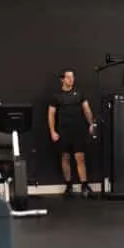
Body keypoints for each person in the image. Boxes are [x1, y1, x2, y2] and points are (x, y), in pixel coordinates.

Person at [48, 69, 97, 198]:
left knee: (80, 157)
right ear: (62, 79)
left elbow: (87, 109)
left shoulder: (79, 94)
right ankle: (69, 185)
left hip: (78, 131)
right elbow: (51, 114)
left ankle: (84, 185)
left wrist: (91, 123)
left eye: (73, 77)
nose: (71, 80)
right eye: (68, 77)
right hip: (63, 131)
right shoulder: (56, 96)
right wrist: (52, 131)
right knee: (65, 157)